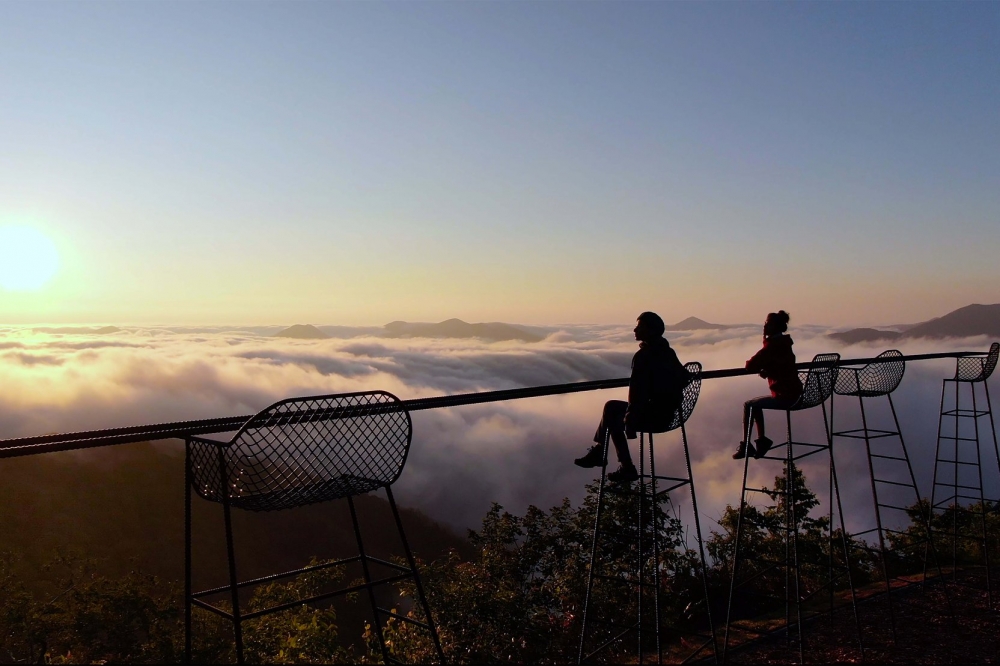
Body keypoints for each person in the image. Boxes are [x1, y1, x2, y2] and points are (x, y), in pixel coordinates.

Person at [575, 312, 689, 482]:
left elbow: (637, 392)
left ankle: (624, 465)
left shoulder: (644, 356)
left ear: (650, 331)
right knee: (611, 407)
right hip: (669, 414)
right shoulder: (667, 352)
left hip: (654, 416)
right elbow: (685, 378)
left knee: (612, 415)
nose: (635, 330)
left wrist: (631, 417)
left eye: (640, 326)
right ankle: (602, 452)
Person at [733, 310, 803, 460]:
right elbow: (781, 365)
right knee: (755, 404)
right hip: (796, 393)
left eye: (767, 324)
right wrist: (770, 370)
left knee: (750, 405)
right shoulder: (785, 344)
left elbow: (751, 365)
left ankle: (749, 444)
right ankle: (760, 441)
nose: (764, 326)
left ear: (774, 327)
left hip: (786, 396)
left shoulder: (772, 346)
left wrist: (765, 368)